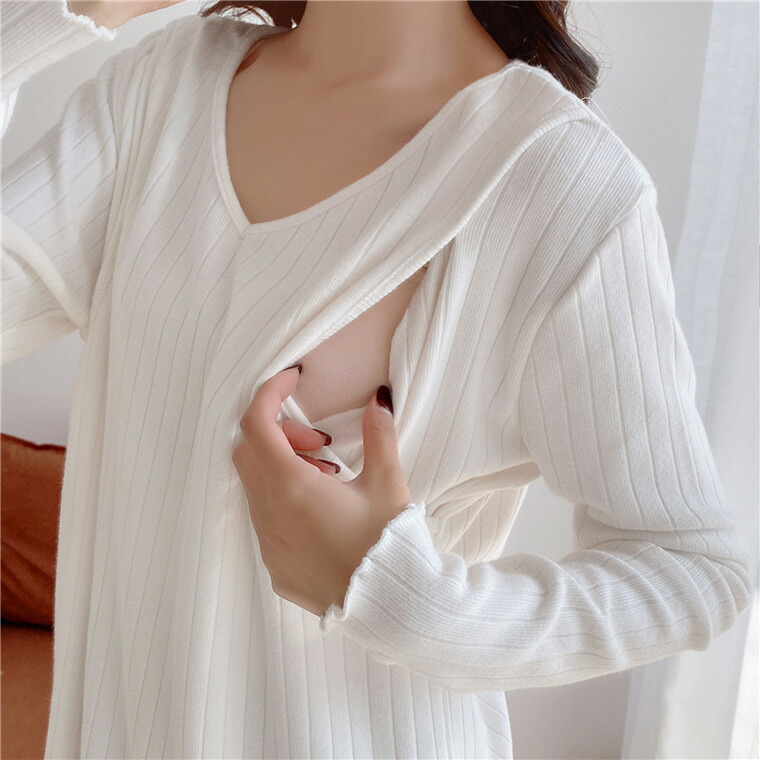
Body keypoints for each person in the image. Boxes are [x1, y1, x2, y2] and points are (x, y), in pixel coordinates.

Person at [2, 1, 752, 758]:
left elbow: (693, 569)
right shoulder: (163, 89)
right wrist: (67, 14)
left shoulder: (556, 181)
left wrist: (408, 600)